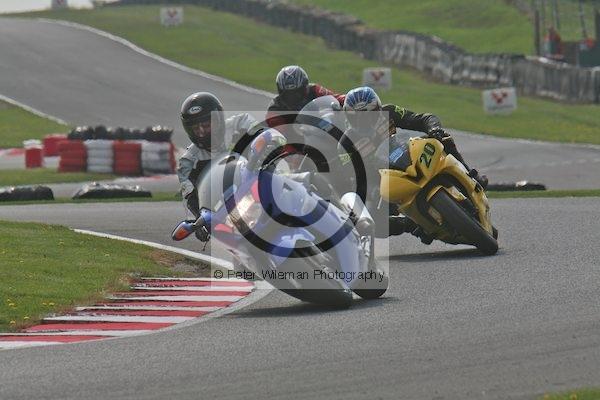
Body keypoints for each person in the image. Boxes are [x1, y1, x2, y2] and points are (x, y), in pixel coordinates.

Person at [338, 86, 488, 238]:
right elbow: (352, 176)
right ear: (349, 118)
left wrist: (434, 128)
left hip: (406, 153)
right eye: (357, 118)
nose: (364, 121)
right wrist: (372, 189)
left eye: (369, 115)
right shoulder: (345, 144)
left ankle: (471, 175)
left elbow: (423, 118)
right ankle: (411, 225)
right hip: (382, 180)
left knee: (443, 137)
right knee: (367, 222)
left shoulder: (389, 111)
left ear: (378, 108)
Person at [177, 92, 257, 218]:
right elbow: (190, 200)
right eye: (196, 128)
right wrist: (202, 220)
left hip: (258, 190)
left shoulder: (241, 124)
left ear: (218, 120)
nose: (201, 132)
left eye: (206, 125)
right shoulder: (188, 161)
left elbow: (266, 134)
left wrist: (269, 142)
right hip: (226, 213)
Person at [265, 65, 345, 130]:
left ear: (305, 87)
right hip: (298, 140)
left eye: (297, 92)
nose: (293, 97)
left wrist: (348, 99)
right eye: (288, 94)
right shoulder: (274, 109)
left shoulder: (315, 90)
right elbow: (280, 135)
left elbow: (335, 98)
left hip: (323, 128)